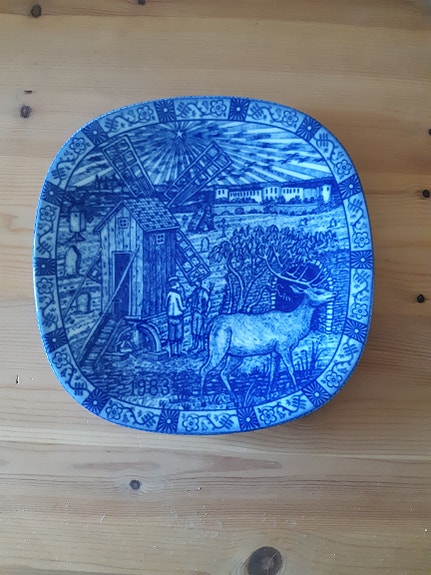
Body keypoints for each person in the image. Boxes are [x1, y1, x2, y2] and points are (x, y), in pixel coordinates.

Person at [166, 276, 185, 357]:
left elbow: (166, 305)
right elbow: (181, 307)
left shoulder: (169, 294)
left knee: (171, 336)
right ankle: (179, 352)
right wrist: (186, 306)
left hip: (170, 318)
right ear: (175, 283)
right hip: (178, 317)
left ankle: (172, 352)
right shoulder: (177, 295)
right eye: (178, 282)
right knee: (179, 336)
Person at [189, 279, 210, 352]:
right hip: (194, 313)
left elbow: (208, 302)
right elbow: (191, 301)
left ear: (200, 283)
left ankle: (201, 346)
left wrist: (206, 312)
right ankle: (194, 344)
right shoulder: (194, 292)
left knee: (200, 330)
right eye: (195, 283)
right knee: (194, 329)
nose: (196, 284)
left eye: (197, 282)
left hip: (201, 313)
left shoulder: (204, 292)